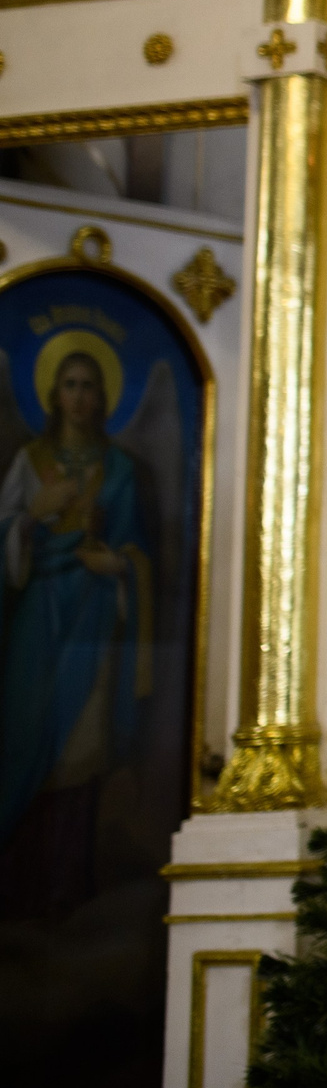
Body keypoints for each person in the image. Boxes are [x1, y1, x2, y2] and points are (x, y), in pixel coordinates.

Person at [0, 348, 147, 918]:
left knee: (80, 747)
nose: (80, 396)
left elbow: (136, 549)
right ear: (52, 394)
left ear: (104, 397)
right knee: (26, 734)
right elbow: (5, 535)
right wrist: (33, 514)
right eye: (70, 384)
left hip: (92, 618)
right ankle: (14, 875)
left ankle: (65, 879)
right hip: (40, 615)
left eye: (90, 386)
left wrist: (122, 568)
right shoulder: (29, 464)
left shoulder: (120, 471)